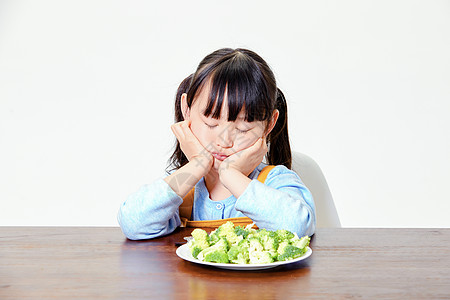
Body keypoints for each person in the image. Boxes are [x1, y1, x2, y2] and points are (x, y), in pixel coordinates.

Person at [118, 48, 316, 240]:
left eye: (243, 129)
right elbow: (133, 223)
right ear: (187, 111)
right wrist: (197, 166)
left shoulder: (275, 181)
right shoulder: (184, 186)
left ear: (269, 124)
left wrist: (231, 175)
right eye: (211, 123)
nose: (225, 141)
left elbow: (297, 226)